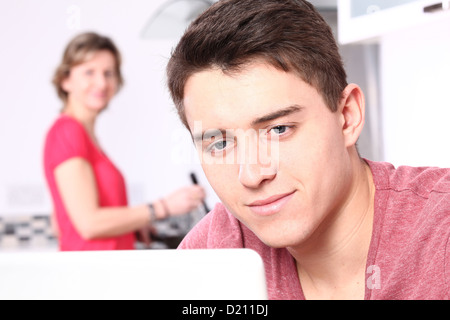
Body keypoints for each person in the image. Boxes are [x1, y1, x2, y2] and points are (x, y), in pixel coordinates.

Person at [167, 0, 450, 300]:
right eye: (221, 144)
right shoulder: (214, 252)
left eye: (278, 129)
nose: (251, 175)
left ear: (347, 117)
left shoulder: (441, 232)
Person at [44, 32, 205, 251]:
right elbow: (88, 224)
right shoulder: (68, 132)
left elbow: (59, 224)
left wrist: (131, 225)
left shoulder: (84, 136)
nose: (101, 82)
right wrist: (164, 207)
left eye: (108, 73)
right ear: (65, 80)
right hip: (90, 274)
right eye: (89, 72)